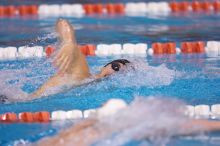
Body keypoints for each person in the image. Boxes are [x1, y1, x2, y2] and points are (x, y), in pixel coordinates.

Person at [31, 19, 131, 98]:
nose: (114, 72)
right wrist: (69, 43)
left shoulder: (92, 84)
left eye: (119, 73)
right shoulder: (84, 74)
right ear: (105, 65)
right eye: (115, 67)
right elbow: (62, 22)